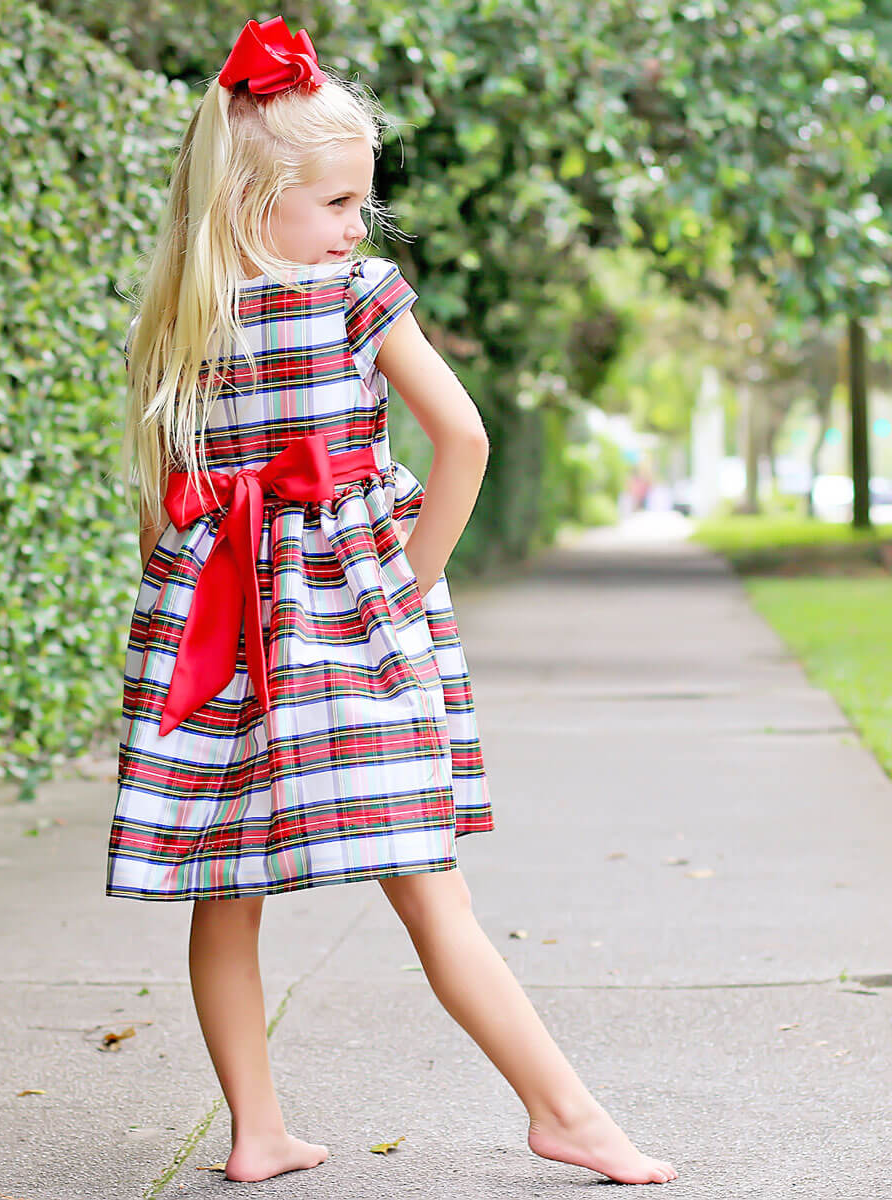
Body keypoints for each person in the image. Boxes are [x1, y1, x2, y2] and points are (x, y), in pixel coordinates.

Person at [105, 15, 678, 1188]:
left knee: (226, 884)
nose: (357, 227)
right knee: (428, 881)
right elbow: (462, 438)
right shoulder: (360, 298)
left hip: (218, 623)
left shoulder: (180, 315)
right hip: (348, 620)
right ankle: (563, 1110)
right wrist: (410, 580)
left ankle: (255, 1131)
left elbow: (168, 509)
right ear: (252, 196)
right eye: (338, 202)